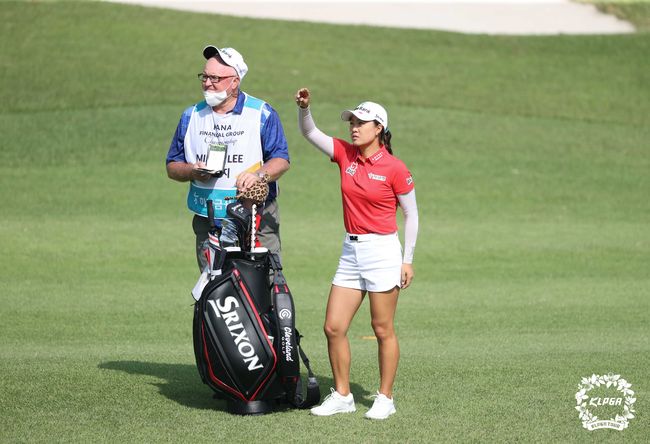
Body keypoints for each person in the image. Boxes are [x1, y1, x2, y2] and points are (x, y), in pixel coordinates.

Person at [295, 88, 419, 420]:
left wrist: (407, 259)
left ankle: (385, 398)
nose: (354, 126)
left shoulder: (394, 167)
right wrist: (304, 109)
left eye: (361, 122)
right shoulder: (345, 155)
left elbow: (412, 215)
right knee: (333, 327)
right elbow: (309, 132)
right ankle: (343, 395)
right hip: (351, 251)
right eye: (352, 120)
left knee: (382, 329)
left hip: (383, 251)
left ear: (378, 127)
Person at [166, 46, 290, 271]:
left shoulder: (262, 112)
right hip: (209, 219)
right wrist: (192, 171)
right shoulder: (191, 115)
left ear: (235, 82)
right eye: (204, 76)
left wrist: (258, 176)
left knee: (265, 284)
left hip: (256, 217)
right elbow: (172, 166)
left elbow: (281, 159)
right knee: (214, 288)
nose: (207, 83)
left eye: (215, 78)